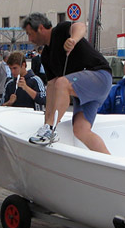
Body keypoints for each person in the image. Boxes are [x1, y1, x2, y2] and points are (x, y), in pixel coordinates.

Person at [22, 13, 112, 152]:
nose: (29, 39)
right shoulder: (45, 56)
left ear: (40, 28)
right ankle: (110, 162)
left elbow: (80, 26)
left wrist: (73, 40)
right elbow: (51, 89)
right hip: (83, 90)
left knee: (62, 83)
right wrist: (46, 121)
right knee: (81, 131)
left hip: (99, 77)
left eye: (30, 34)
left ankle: (50, 130)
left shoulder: (60, 30)